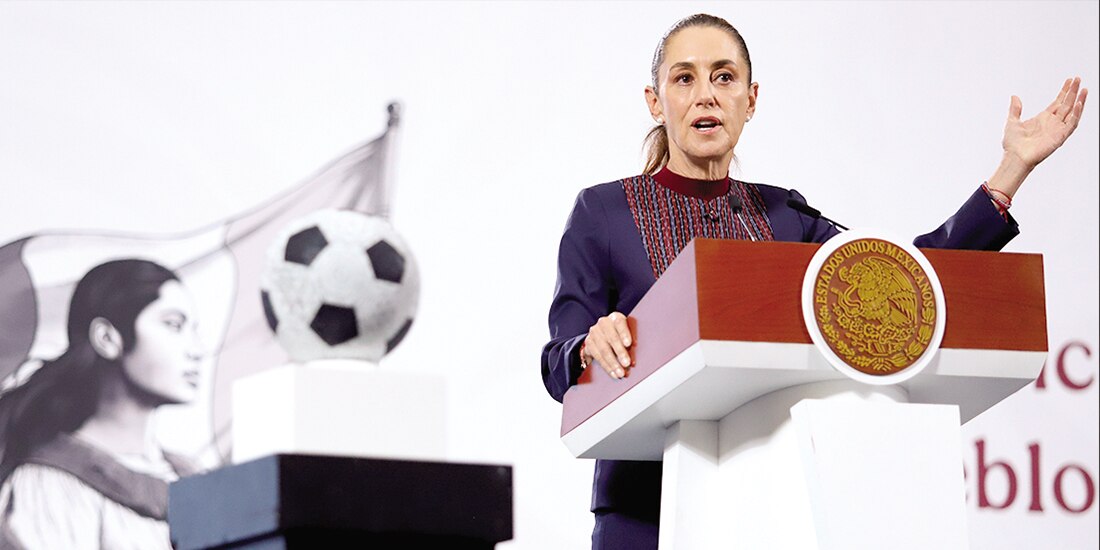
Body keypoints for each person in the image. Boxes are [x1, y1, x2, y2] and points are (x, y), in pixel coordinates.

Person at [540, 13, 1087, 550]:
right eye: (684, 78)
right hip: (644, 510)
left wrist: (1009, 172)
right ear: (655, 102)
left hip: (768, 502)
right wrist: (589, 344)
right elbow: (557, 360)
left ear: (750, 100)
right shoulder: (603, 212)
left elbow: (898, 275)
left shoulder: (784, 216)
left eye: (724, 77)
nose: (706, 94)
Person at [0, 259, 205, 550]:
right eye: (173, 325)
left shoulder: (193, 477)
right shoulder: (51, 486)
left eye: (194, 329)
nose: (197, 350)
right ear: (107, 338)